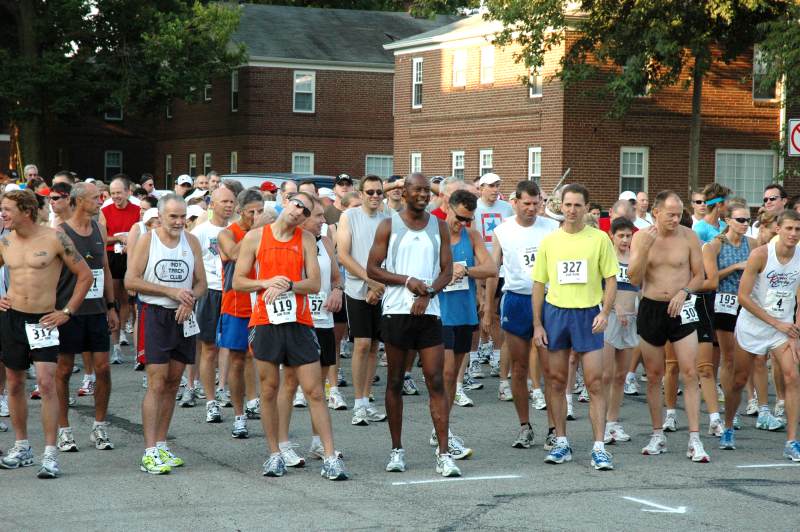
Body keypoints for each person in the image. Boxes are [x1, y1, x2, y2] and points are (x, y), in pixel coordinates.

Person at [233, 191, 348, 480]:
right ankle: (274, 455)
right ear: (286, 203)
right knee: (269, 389)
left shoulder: (307, 240)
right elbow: (238, 281)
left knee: (313, 390)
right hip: (265, 321)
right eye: (297, 205)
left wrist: (287, 285)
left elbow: (314, 283)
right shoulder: (256, 237)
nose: (299, 212)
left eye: (306, 211)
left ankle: (330, 456)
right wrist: (265, 282)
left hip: (299, 321)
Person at [366, 173, 459, 477]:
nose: (422, 194)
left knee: (435, 380)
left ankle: (444, 453)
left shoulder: (440, 226)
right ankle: (397, 450)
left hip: (429, 312)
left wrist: (429, 291)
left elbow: (447, 270)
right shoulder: (388, 224)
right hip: (396, 311)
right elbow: (372, 268)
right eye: (416, 190)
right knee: (394, 381)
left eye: (426, 190)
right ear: (403, 193)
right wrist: (407, 282)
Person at [0, 189, 93, 478]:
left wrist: (67, 311)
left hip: (44, 320)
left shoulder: (54, 237)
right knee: (14, 383)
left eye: (7, 210)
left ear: (26, 211)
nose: (2, 214)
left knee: (46, 382)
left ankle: (50, 453)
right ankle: (22, 446)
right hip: (12, 317)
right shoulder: (5, 240)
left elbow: (85, 275)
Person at [532, 183, 618, 469]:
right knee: (556, 381)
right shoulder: (549, 241)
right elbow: (538, 284)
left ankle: (599, 446)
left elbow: (611, 279)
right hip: (556, 314)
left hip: (588, 315)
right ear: (560, 206)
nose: (572, 210)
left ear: (585, 207)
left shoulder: (599, 239)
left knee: (595, 382)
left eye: (577, 205)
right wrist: (538, 325)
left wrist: (605, 312)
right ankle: (561, 442)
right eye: (567, 205)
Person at [125, 193, 207, 474]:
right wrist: (171, 292)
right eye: (173, 216)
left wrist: (189, 300)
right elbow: (130, 281)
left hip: (183, 317)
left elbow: (201, 284)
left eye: (183, 216)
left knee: (174, 381)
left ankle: (161, 444)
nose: (179, 222)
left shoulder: (191, 241)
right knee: (157, 381)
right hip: (155, 315)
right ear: (160, 216)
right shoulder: (149, 240)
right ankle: (148, 450)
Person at [628, 190, 710, 462]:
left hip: (682, 306)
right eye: (670, 214)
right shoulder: (642, 237)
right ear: (656, 212)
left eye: (678, 214)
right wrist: (644, 250)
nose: (676, 219)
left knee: (689, 371)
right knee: (653, 374)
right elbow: (634, 277)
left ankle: (695, 438)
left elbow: (700, 275)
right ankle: (657, 433)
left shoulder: (689, 236)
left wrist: (685, 291)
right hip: (652, 307)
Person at [722, 210, 800, 459]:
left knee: (792, 377)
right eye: (789, 228)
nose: (793, 234)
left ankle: (791, 441)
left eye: (798, 229)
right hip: (753, 325)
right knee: (738, 380)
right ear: (778, 228)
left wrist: (795, 331)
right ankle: (728, 426)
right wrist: (776, 323)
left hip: (783, 328)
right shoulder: (761, 255)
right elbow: (743, 297)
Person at [486, 181, 558, 450]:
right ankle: (525, 426)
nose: (531, 208)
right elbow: (493, 268)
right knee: (519, 368)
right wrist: (487, 305)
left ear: (541, 202)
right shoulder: (503, 230)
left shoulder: (551, 227)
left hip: (548, 300)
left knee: (550, 369)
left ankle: (554, 428)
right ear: (515, 202)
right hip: (516, 299)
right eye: (525, 203)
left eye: (535, 203)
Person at [54, 182, 120, 452]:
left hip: (96, 310)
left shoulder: (99, 229)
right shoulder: (60, 232)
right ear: (79, 201)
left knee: (103, 368)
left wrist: (112, 305)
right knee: (64, 370)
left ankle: (99, 427)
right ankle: (63, 429)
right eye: (96, 198)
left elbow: (103, 266)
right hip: (69, 310)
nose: (100, 201)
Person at [436, 189, 497, 457]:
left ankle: (440, 427)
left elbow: (491, 268)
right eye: (460, 217)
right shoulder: (435, 234)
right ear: (448, 208)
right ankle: (444, 434)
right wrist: (445, 273)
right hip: (440, 313)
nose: (463, 224)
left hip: (464, 313)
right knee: (446, 374)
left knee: (453, 379)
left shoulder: (471, 236)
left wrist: (467, 270)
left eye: (468, 219)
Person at [336, 176, 389, 426]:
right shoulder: (350, 216)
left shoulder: (387, 218)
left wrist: (379, 286)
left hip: (382, 289)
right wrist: (370, 281)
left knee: (375, 346)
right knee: (361, 344)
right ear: (361, 193)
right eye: (370, 192)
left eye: (379, 192)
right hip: (357, 289)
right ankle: (358, 403)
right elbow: (344, 256)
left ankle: (367, 400)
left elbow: (392, 255)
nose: (375, 196)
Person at [217, 189, 266, 437]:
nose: (256, 216)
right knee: (237, 359)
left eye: (260, 211)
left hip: (264, 303)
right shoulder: (227, 233)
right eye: (251, 212)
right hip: (237, 304)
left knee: (260, 358)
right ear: (240, 211)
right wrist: (257, 230)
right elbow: (234, 253)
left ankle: (256, 402)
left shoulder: (269, 231)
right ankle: (238, 415)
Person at [192, 187, 235, 423]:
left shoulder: (237, 230)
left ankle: (224, 388)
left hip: (233, 291)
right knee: (209, 347)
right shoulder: (201, 231)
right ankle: (210, 402)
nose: (228, 205)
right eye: (224, 201)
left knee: (231, 347)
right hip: (210, 291)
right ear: (212, 204)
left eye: (231, 201)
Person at [603, 217, 638, 444]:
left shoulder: (636, 260)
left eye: (629, 235)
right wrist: (614, 307)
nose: (625, 240)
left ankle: (613, 423)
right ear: (612, 236)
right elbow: (599, 288)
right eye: (621, 235)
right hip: (611, 319)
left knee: (620, 377)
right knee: (605, 375)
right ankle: (602, 422)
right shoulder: (608, 259)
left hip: (631, 321)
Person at [99, 175, 140, 363]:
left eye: (119, 193)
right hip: (112, 256)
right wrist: (119, 238)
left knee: (128, 299)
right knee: (114, 299)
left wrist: (130, 242)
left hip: (131, 256)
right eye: (113, 193)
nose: (116, 196)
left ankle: (123, 331)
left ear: (128, 192)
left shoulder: (138, 210)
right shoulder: (105, 211)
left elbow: (142, 234)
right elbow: (102, 238)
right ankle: (115, 346)